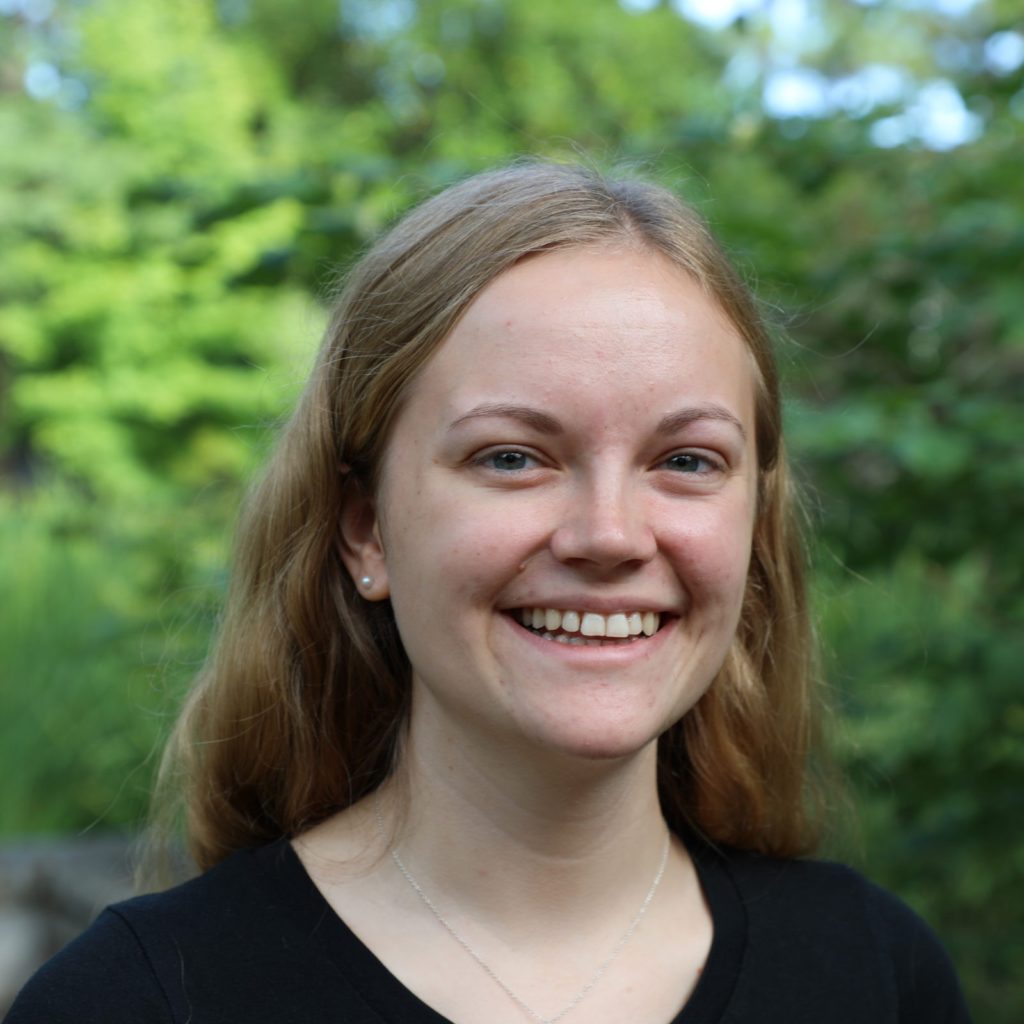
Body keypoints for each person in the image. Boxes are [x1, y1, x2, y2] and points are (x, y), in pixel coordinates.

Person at [7, 162, 971, 1023]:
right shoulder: (139, 999)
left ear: (754, 529)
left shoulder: (877, 977)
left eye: (685, 459)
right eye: (512, 456)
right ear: (366, 529)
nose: (609, 535)